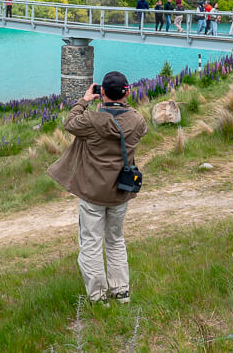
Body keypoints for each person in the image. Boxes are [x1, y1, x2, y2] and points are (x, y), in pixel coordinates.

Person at [47, 71, 147, 305]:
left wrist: (85, 100)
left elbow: (70, 123)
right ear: (128, 92)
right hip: (121, 191)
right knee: (116, 240)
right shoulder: (136, 120)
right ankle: (121, 292)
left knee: (91, 243)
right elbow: (141, 132)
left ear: (101, 92)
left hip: (92, 193)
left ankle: (98, 296)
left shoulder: (92, 121)